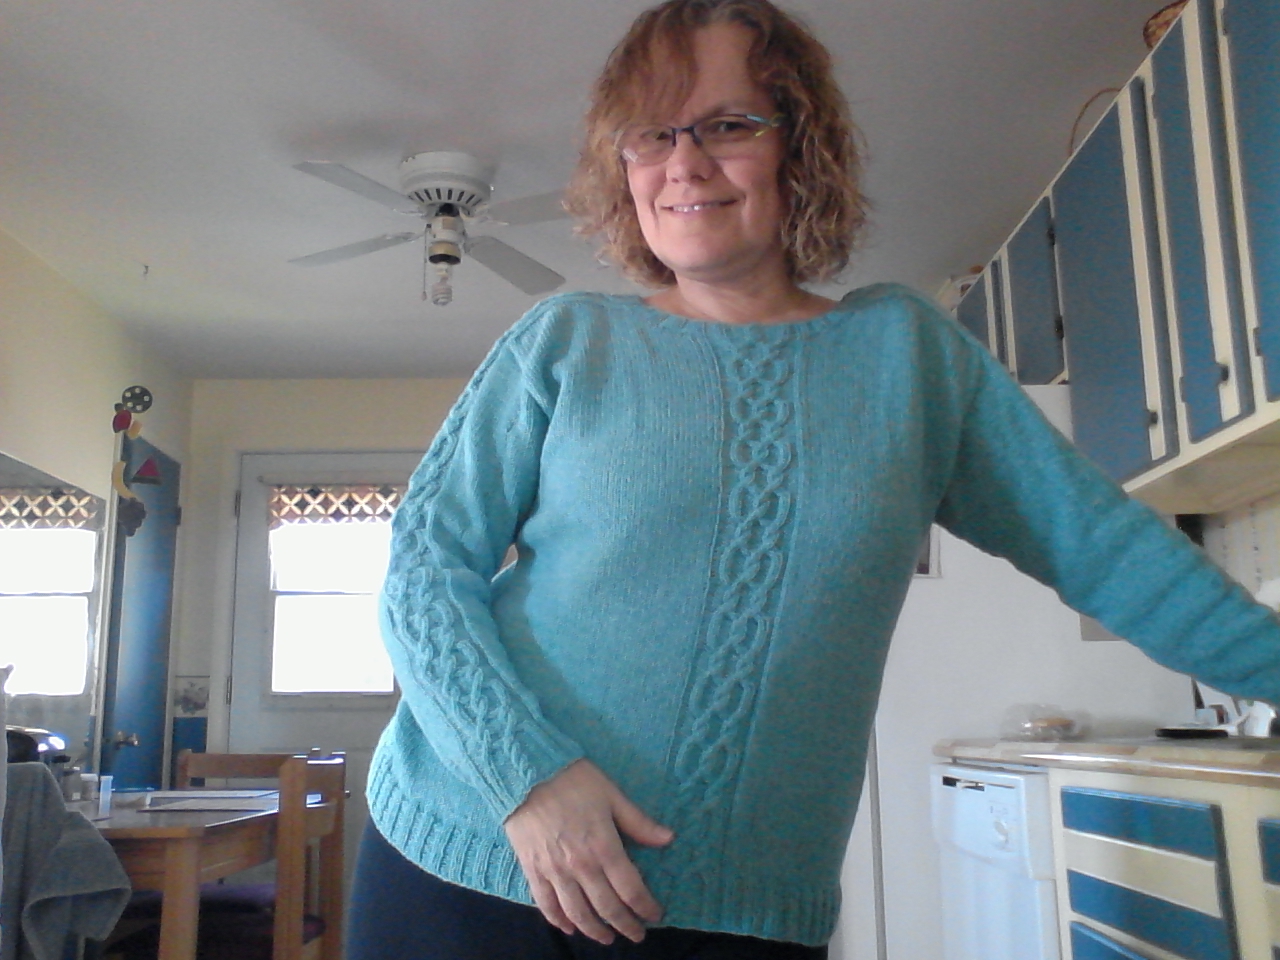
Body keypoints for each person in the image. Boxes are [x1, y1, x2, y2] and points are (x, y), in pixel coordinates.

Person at [346, 1, 1280, 957]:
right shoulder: (565, 340)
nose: (684, 163)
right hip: (470, 854)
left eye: (727, 124)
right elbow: (423, 573)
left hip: (741, 910)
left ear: (801, 146)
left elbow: (1108, 552)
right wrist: (528, 779)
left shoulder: (907, 358)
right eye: (652, 134)